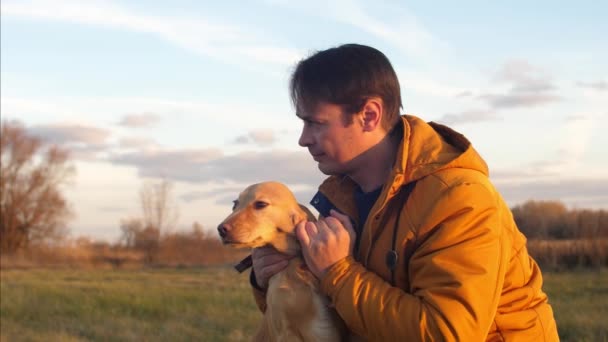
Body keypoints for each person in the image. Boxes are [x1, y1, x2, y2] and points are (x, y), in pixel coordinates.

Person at [249, 44, 559, 341]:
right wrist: (274, 281)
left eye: (315, 123)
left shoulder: (459, 198)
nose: (303, 139)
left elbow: (447, 334)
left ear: (369, 115)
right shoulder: (341, 201)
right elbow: (338, 319)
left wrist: (337, 273)